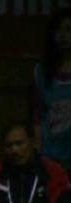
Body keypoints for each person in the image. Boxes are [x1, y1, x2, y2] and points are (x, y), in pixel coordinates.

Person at [32, 9, 71, 164]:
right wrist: (37, 147)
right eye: (58, 29)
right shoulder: (42, 71)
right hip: (51, 154)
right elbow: (37, 114)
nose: (63, 35)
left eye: (68, 29)